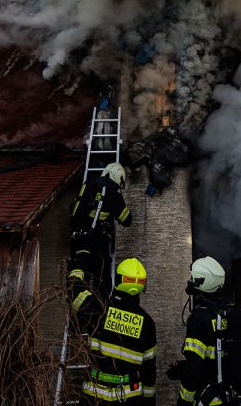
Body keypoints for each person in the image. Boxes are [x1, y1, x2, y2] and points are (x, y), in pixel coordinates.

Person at [166, 256, 241, 406]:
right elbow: (216, 357)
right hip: (226, 396)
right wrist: (183, 367)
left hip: (208, 398)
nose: (190, 280)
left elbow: (195, 368)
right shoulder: (227, 313)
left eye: (193, 277)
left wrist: (184, 401)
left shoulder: (199, 318)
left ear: (202, 281)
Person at [81, 257, 158, 405]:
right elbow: (149, 370)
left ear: (117, 280)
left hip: (94, 397)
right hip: (128, 398)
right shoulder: (147, 323)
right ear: (143, 286)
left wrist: (78, 267)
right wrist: (149, 401)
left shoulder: (98, 308)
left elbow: (76, 295)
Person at [69, 162, 133, 291]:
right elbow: (127, 220)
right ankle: (102, 307)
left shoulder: (88, 185)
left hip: (78, 239)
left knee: (80, 279)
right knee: (102, 282)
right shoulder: (114, 195)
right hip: (98, 243)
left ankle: (78, 306)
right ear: (119, 178)